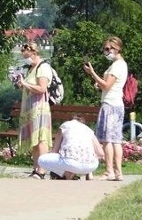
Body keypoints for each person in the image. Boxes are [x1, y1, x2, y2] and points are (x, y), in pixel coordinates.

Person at [84, 36, 128, 181]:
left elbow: (107, 85)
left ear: (118, 49)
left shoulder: (117, 66)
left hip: (110, 104)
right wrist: (100, 84)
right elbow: (108, 85)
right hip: (117, 104)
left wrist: (93, 74)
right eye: (105, 49)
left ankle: (109, 171)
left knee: (108, 139)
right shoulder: (120, 64)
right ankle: (118, 172)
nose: (107, 51)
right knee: (116, 139)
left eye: (110, 49)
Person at [15, 41, 53, 179]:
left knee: (41, 138)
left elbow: (42, 88)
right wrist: (22, 85)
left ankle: (42, 169)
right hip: (30, 109)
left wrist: (25, 84)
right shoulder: (31, 68)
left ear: (34, 53)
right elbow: (30, 86)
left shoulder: (43, 67)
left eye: (27, 55)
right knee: (34, 139)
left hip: (39, 108)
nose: (26, 58)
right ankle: (36, 167)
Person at [38, 117, 105, 180]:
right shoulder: (89, 130)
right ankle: (89, 174)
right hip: (91, 166)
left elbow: (55, 151)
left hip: (71, 162)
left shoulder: (64, 126)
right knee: (81, 157)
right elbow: (101, 153)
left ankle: (67, 173)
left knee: (41, 160)